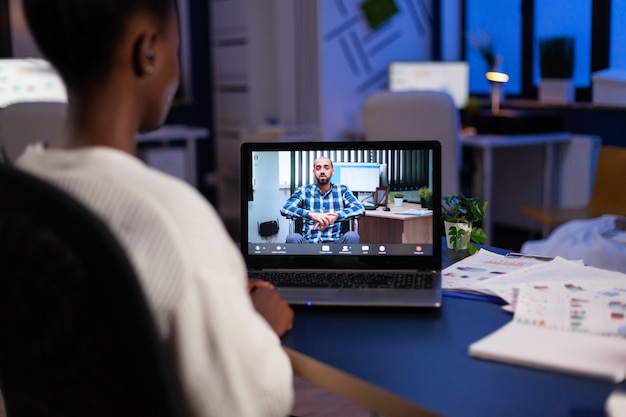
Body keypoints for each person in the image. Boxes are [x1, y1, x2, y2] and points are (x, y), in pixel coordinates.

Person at [16, 1, 294, 416]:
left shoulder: (22, 186)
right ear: (148, 51)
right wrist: (261, 325)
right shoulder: (173, 219)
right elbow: (253, 405)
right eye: (176, 50)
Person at [280, 156, 365, 243]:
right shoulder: (304, 190)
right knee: (292, 238)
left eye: (326, 167)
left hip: (336, 243)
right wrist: (311, 215)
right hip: (309, 243)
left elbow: (360, 209)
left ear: (332, 171)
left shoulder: (342, 190)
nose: (322, 171)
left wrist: (336, 216)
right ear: (314, 172)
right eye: (318, 168)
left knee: (352, 236)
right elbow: (285, 208)